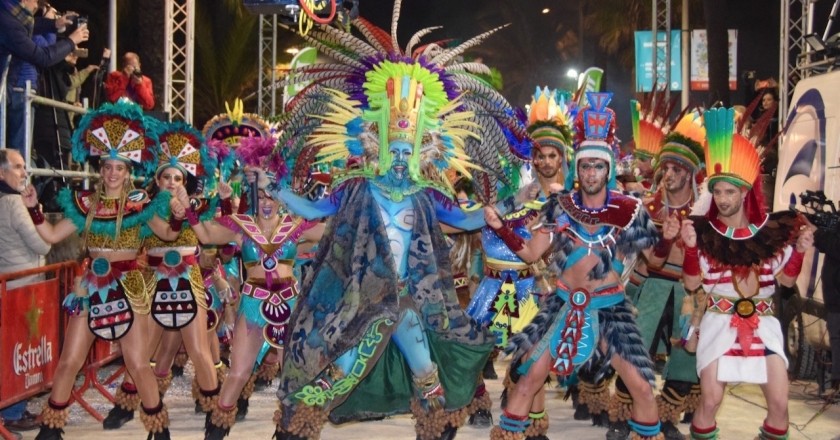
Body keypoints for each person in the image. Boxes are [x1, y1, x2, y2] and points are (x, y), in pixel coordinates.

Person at [261, 4, 528, 438]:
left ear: (420, 152)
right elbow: (312, 210)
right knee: (341, 367)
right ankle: (294, 427)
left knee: (427, 370)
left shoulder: (427, 195)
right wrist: (276, 190)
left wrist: (498, 209)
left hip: (410, 299)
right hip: (360, 299)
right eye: (396, 151)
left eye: (409, 152)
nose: (402, 160)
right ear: (382, 147)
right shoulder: (356, 186)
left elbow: (463, 219)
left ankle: (438, 426)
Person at [485, 92, 664, 440]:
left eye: (598, 165)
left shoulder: (631, 210)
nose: (591, 172)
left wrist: (672, 239)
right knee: (526, 383)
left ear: (608, 168)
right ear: (577, 168)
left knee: (642, 388)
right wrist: (501, 228)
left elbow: (654, 259)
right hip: (564, 304)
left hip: (612, 308)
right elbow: (530, 254)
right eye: (585, 165)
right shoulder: (558, 206)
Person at [25, 102, 180, 440]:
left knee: (138, 364)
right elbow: (51, 236)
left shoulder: (140, 204)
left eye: (119, 168)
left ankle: (159, 428)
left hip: (129, 287)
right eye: (107, 166)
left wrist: (180, 213)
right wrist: (33, 209)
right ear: (100, 169)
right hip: (91, 287)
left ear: (128, 172)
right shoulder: (85, 205)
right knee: (69, 361)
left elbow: (168, 234)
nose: (112, 173)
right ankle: (51, 429)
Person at [681, 107, 814, 440]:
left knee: (781, 406)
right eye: (718, 191)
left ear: (744, 192)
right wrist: (690, 249)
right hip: (717, 322)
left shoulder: (771, 234)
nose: (723, 199)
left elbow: (784, 282)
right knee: (710, 401)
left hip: (765, 325)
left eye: (730, 191)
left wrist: (799, 251)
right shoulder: (704, 232)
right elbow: (693, 283)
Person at [99, 122, 222, 431]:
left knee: (198, 350)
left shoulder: (199, 206)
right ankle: (127, 404)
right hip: (153, 283)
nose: (170, 181)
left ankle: (215, 412)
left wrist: (223, 200)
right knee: (145, 351)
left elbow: (213, 237)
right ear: (157, 178)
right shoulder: (142, 207)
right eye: (166, 176)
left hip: (189, 280)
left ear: (186, 180)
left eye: (177, 177)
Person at [610, 108, 707, 440]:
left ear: (692, 173)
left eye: (676, 168)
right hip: (649, 288)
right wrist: (665, 238)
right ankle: (623, 416)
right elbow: (651, 261)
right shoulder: (645, 209)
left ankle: (666, 417)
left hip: (689, 294)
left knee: (684, 363)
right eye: (664, 166)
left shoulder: (706, 211)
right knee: (636, 355)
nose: (668, 173)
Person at [0, 148, 49, 436]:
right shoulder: (14, 204)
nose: (24, 173)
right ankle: (13, 411)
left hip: (10, 284)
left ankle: (13, 409)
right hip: (24, 288)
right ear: (2, 172)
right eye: (18, 167)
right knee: (19, 352)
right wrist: (37, 211)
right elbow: (43, 245)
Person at [0, 0, 88, 154]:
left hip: (16, 88)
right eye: (36, 2)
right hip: (17, 88)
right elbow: (43, 56)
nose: (37, 6)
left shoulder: (9, 14)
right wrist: (71, 41)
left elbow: (32, 25)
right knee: (18, 151)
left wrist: (54, 24)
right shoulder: (8, 23)